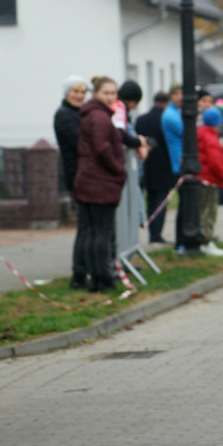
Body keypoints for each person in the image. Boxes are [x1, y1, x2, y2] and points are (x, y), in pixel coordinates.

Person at [72, 76, 127, 292]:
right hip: (99, 183)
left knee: (91, 232)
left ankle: (91, 275)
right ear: (96, 94)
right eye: (106, 93)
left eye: (114, 93)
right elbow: (102, 148)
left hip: (88, 181)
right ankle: (101, 277)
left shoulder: (92, 115)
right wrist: (118, 169)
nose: (111, 97)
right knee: (101, 233)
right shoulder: (100, 117)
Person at [135, 92, 173, 244]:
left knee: (149, 199)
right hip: (163, 165)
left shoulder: (142, 119)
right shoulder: (166, 119)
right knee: (160, 201)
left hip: (146, 165)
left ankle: (151, 230)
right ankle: (156, 234)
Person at [196, 107, 223, 256]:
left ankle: (201, 241)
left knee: (201, 212)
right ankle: (206, 242)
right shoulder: (211, 138)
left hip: (200, 179)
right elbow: (215, 162)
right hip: (209, 180)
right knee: (209, 213)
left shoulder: (200, 133)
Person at [53, 76, 88, 195]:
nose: (80, 96)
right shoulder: (65, 115)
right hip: (75, 172)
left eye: (83, 92)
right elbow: (79, 142)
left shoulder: (79, 112)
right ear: (67, 93)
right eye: (76, 92)